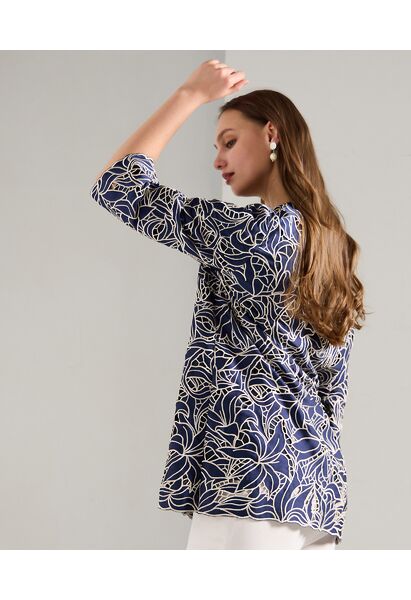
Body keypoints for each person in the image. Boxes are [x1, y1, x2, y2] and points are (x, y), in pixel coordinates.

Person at [90, 59, 367, 550]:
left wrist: (190, 94)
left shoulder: (251, 233)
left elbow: (118, 185)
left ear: (272, 135)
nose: (218, 159)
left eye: (229, 141)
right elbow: (333, 391)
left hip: (248, 472)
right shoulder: (332, 246)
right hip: (315, 488)